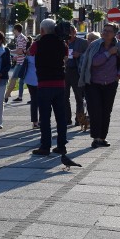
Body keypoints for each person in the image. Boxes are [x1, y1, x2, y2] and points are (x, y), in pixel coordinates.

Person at [79, 22, 120, 148]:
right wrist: (109, 53)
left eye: (109, 31)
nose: (105, 32)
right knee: (95, 111)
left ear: (114, 34)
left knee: (106, 111)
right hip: (93, 83)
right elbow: (93, 62)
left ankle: (102, 138)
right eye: (104, 30)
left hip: (110, 83)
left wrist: (118, 76)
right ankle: (95, 138)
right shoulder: (95, 45)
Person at [31, 19, 68, 156]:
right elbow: (66, 57)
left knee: (45, 118)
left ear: (42, 30)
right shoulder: (62, 43)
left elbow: (30, 53)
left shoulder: (38, 44)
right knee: (61, 117)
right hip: (59, 84)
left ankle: (45, 147)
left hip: (44, 84)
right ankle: (61, 146)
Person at [65, 25, 88, 126]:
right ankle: (67, 119)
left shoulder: (82, 42)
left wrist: (80, 54)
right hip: (65, 71)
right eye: (69, 32)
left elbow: (88, 55)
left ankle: (79, 119)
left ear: (75, 31)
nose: (71, 34)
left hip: (76, 71)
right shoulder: (63, 42)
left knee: (79, 97)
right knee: (64, 97)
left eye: (72, 31)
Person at [4, 23, 27, 102]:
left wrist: (10, 51)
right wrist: (17, 55)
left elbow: (20, 51)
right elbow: (23, 51)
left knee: (14, 78)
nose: (13, 31)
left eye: (13, 30)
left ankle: (6, 95)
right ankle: (15, 96)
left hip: (21, 62)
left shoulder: (20, 38)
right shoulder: (23, 37)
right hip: (22, 60)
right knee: (20, 80)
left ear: (16, 30)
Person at [23, 38, 39, 129]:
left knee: (34, 100)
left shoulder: (29, 54)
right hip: (38, 80)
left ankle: (35, 121)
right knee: (41, 101)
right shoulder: (39, 55)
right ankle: (40, 120)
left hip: (29, 79)